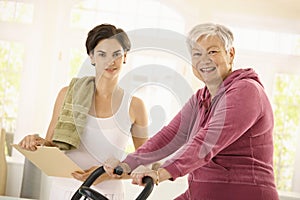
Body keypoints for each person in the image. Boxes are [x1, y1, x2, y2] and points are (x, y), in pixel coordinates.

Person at [104, 23, 279, 200]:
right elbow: (170, 136)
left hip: (243, 193)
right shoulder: (201, 98)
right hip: (202, 193)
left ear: (230, 54)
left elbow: (207, 142)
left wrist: (161, 173)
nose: (205, 60)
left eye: (212, 52)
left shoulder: (246, 91)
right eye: (197, 54)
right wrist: (128, 164)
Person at [18, 24, 149, 200]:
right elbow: (50, 145)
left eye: (116, 54)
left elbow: (144, 164)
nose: (110, 61)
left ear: (125, 56)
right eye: (102, 54)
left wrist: (105, 174)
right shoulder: (67, 95)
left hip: (108, 194)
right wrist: (34, 142)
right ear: (92, 57)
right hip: (63, 191)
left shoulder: (135, 106)